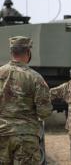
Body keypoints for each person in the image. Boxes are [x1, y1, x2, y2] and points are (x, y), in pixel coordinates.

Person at [0, 36, 52, 164]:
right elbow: (44, 112)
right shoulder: (36, 78)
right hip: (26, 138)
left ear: (11, 52)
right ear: (28, 52)